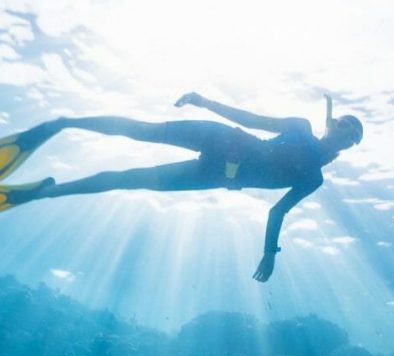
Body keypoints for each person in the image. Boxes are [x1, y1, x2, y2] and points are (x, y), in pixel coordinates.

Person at [0, 93, 363, 282]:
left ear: (349, 147)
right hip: (221, 139)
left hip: (214, 175)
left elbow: (277, 210)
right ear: (333, 125)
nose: (346, 132)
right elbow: (251, 119)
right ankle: (61, 124)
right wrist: (206, 102)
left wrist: (270, 251)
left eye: (353, 135)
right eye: (345, 124)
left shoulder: (313, 179)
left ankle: (41, 192)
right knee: (141, 130)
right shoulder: (300, 127)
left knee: (128, 180)